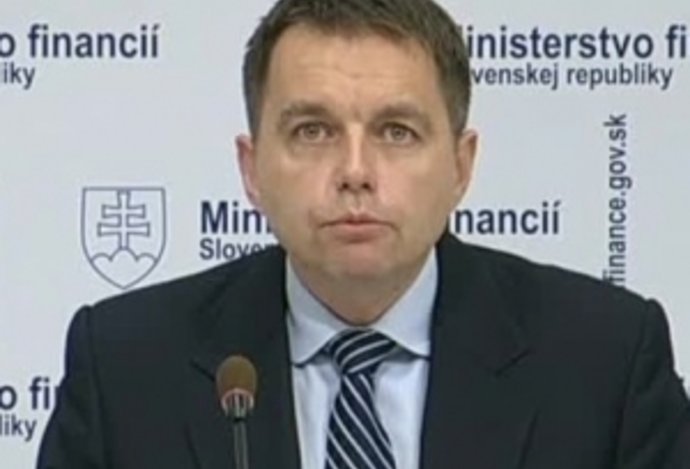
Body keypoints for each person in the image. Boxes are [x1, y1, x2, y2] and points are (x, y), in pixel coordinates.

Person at [37, 0, 689, 468]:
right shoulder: (126, 368)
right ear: (252, 168)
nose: (355, 171)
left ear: (461, 166)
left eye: (396, 131)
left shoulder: (604, 362)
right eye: (312, 131)